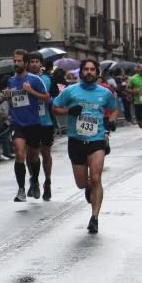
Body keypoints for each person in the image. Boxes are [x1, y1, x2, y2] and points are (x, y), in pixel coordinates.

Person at [51, 59, 118, 234]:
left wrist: (111, 121)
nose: (89, 72)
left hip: (97, 140)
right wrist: (69, 111)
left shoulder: (105, 93)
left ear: (97, 73)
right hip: (76, 140)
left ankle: (94, 217)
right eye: (86, 69)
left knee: (96, 178)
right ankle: (88, 187)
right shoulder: (70, 91)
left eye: (92, 69)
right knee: (81, 183)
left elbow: (114, 108)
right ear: (81, 72)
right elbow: (55, 108)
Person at [4, 50, 49, 202]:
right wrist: (8, 97)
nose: (16, 64)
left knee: (34, 156)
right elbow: (12, 102)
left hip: (33, 123)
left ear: (26, 63)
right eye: (15, 61)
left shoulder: (35, 80)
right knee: (19, 153)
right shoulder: (11, 81)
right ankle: (21, 190)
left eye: (19, 61)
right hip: (17, 123)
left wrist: (31, 91)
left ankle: (34, 180)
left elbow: (46, 97)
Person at [27, 53, 56, 199]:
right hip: (29, 122)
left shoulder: (48, 79)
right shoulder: (23, 79)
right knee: (30, 154)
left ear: (41, 64)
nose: (34, 64)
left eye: (36, 61)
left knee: (45, 153)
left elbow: (54, 98)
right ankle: (34, 180)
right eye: (31, 61)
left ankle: (48, 181)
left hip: (46, 122)